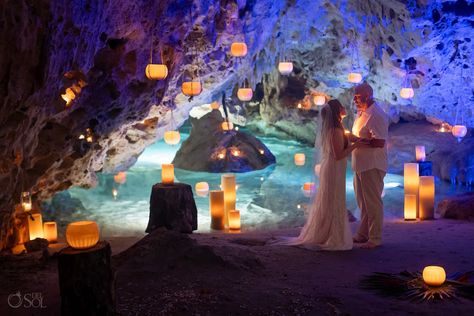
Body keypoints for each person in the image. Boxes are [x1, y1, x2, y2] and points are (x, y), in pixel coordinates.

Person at [273, 99, 375, 250]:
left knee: (335, 199)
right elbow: (339, 154)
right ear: (336, 111)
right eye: (341, 106)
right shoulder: (334, 131)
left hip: (337, 169)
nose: (344, 108)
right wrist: (356, 146)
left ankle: (329, 232)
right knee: (333, 200)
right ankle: (332, 236)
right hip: (333, 169)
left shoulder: (339, 127)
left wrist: (360, 139)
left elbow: (347, 138)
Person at [350, 82, 389, 249]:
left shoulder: (377, 115)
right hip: (360, 164)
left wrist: (356, 141)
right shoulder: (363, 112)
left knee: (372, 202)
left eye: (357, 97)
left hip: (372, 165)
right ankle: (363, 234)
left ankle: (375, 237)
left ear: (367, 95)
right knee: (363, 203)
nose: (354, 100)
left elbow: (379, 142)